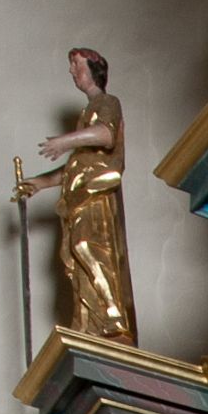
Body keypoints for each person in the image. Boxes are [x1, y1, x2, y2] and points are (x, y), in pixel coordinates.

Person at [21, 48, 137, 344]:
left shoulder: (107, 102)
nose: (72, 71)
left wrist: (65, 141)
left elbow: (106, 135)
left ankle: (113, 317)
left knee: (87, 246)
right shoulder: (87, 113)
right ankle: (88, 324)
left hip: (96, 192)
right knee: (73, 258)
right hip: (78, 195)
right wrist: (40, 183)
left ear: (94, 69)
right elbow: (76, 165)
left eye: (77, 65)